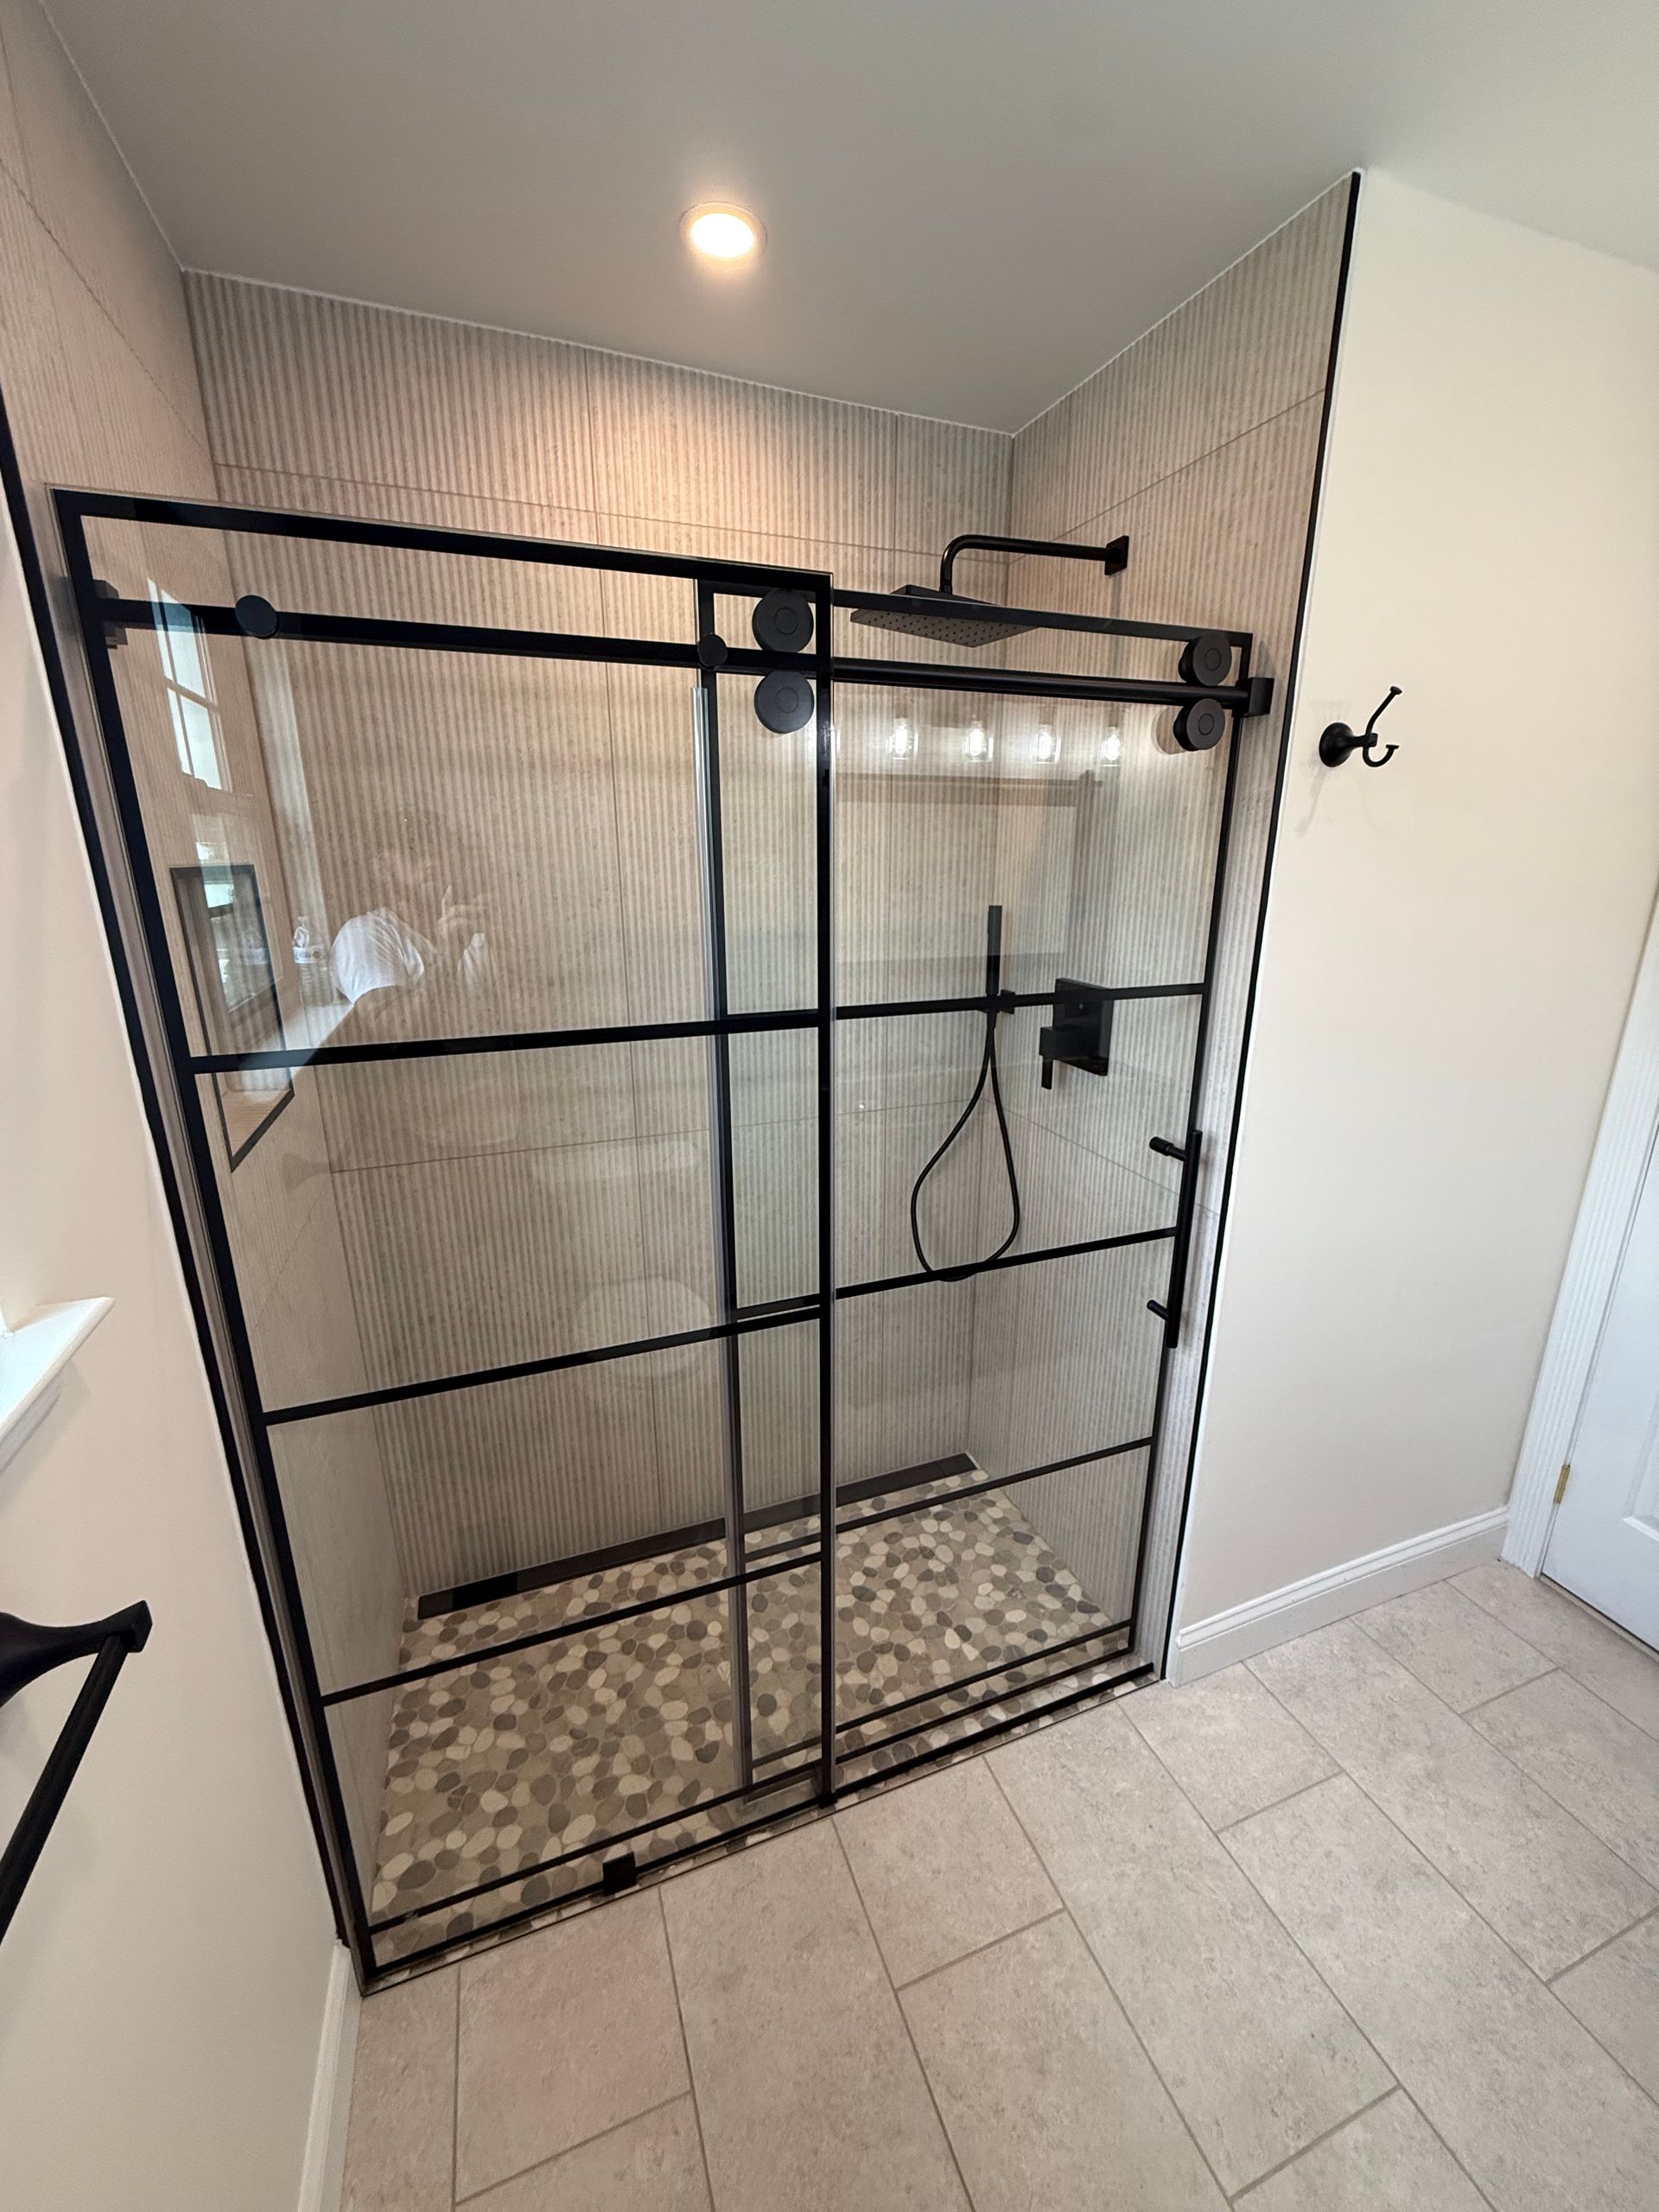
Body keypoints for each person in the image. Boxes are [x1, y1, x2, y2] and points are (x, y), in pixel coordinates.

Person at [331, 807, 493, 1031]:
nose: (431, 862)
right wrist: (448, 956)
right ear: (382, 868)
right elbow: (394, 1034)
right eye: (413, 851)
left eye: (436, 850)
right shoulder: (362, 935)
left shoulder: (469, 920)